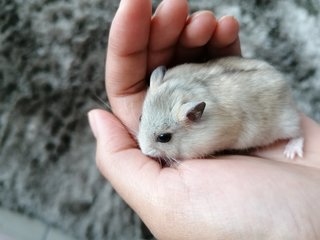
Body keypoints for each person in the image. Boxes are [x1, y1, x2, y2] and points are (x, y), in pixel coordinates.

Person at [88, 0, 320, 238]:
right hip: (241, 78)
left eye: (163, 137)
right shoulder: (164, 83)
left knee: (286, 126)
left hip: (267, 96)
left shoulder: (211, 121)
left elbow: (222, 136)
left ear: (193, 116)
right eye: (141, 119)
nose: (144, 147)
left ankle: (297, 137)